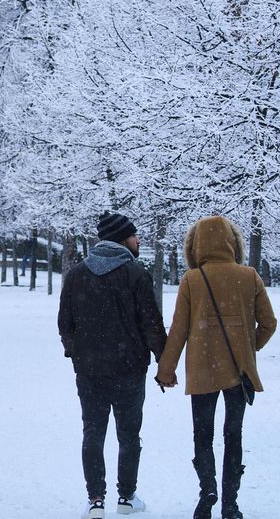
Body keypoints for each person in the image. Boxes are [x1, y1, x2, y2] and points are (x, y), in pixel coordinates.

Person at [156, 216, 277, 519]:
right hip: (239, 370)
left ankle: (207, 488)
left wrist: (166, 370)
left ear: (195, 245)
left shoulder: (192, 280)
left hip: (203, 368)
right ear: (232, 242)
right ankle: (231, 503)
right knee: (233, 434)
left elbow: (179, 330)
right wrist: (251, 347)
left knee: (203, 433)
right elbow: (270, 323)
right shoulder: (249, 276)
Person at [58, 213, 168, 519]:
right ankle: (126, 496)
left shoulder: (78, 274)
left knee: (92, 432)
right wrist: (164, 361)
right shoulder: (135, 274)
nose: (139, 240)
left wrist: (77, 354)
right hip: (129, 369)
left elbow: (64, 322)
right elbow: (151, 324)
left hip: (90, 370)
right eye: (134, 235)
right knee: (129, 435)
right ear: (122, 239)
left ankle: (95, 499)